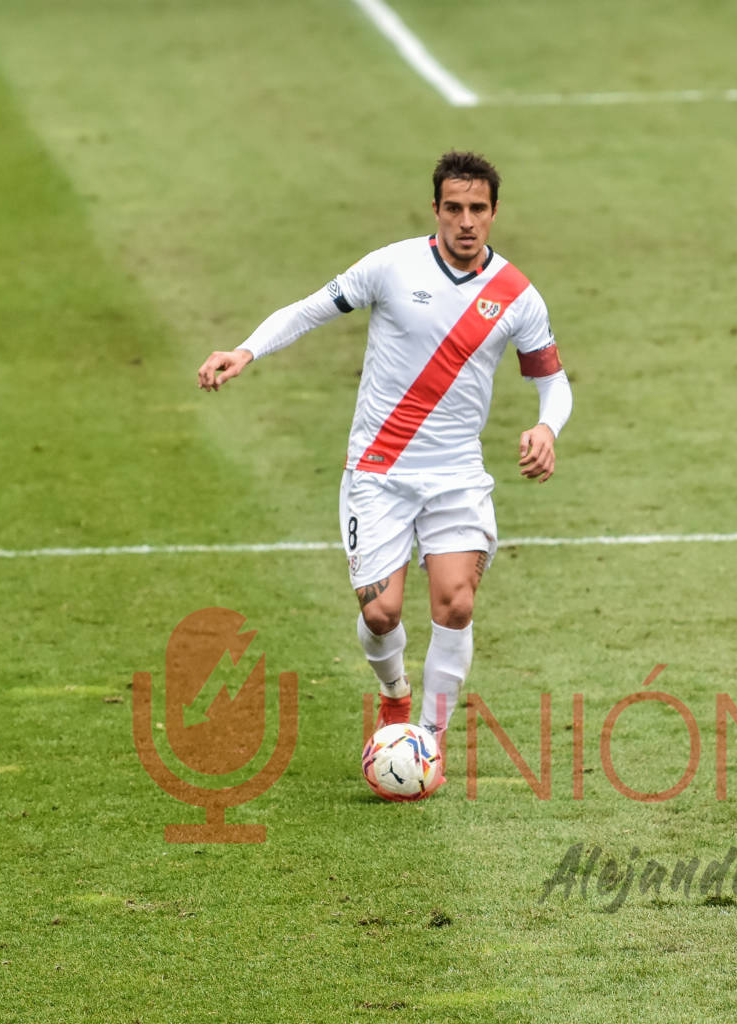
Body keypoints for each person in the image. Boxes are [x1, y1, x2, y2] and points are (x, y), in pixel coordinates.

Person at [196, 150, 572, 754]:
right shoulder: (392, 266)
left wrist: (547, 427)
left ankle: (429, 738)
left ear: (495, 212)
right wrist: (245, 351)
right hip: (378, 471)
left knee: (456, 602)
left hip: (455, 474)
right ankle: (394, 692)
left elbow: (552, 380)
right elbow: (311, 308)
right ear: (436, 209)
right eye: (454, 208)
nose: (466, 221)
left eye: (478, 209)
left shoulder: (517, 295)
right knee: (381, 615)